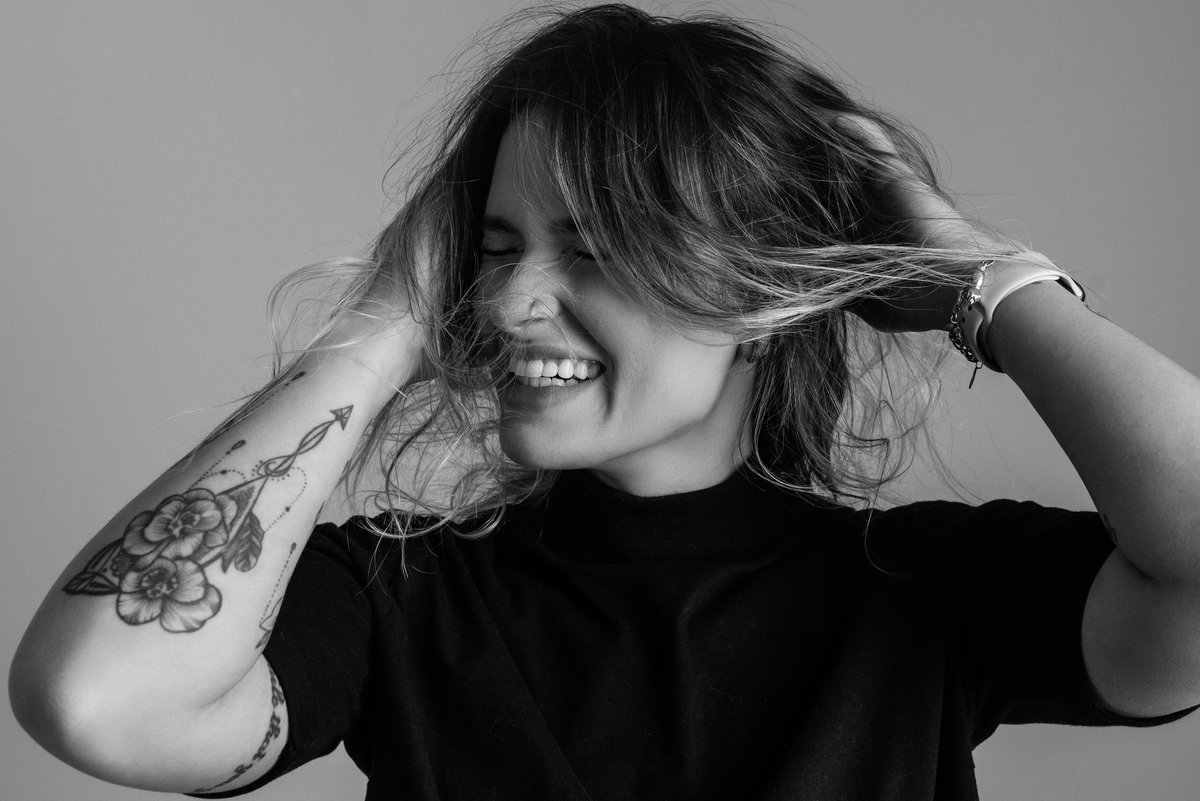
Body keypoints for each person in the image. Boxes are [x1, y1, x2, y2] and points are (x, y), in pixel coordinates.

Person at [10, 4, 1200, 799]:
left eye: (595, 248)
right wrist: (380, 327)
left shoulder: (932, 595)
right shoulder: (396, 598)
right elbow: (95, 701)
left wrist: (983, 280)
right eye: (492, 247)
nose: (509, 300)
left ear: (765, 291)